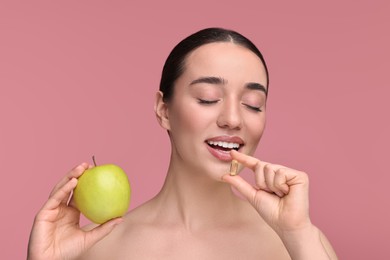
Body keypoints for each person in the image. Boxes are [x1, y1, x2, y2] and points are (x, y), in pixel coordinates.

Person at [27, 27, 338, 259]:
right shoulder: (98, 247)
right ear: (164, 110)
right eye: (208, 98)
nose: (233, 118)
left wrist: (298, 235)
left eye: (253, 104)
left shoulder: (297, 243)